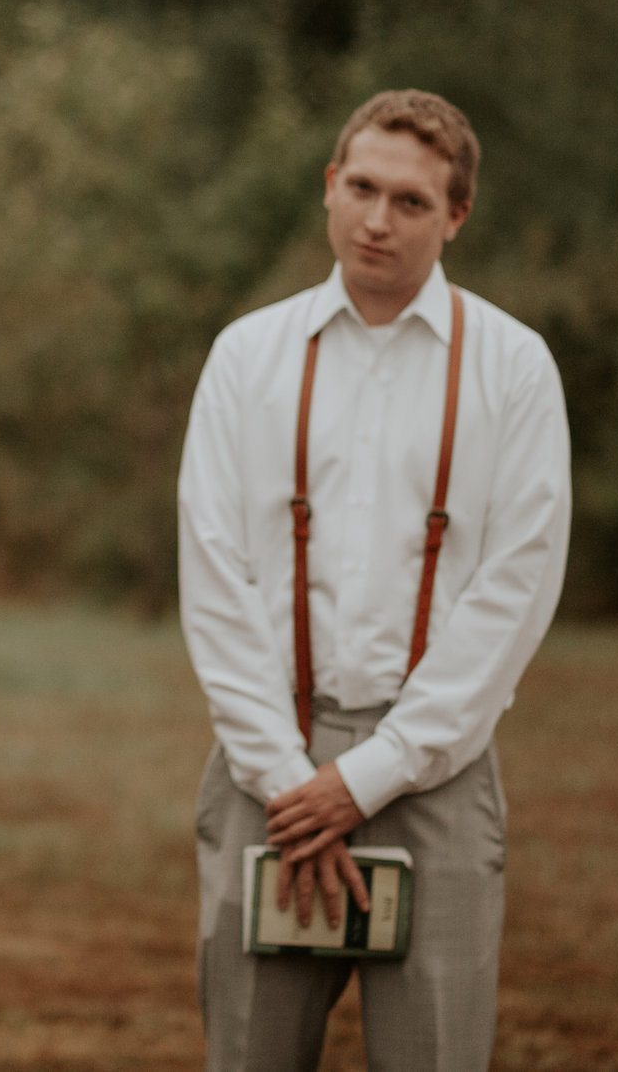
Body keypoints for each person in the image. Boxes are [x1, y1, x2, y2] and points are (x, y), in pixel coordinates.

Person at [177, 89, 572, 1072]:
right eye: (360, 188)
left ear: (456, 215)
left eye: (408, 199)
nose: (376, 218)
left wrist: (367, 776)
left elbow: (514, 589)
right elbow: (213, 573)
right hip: (265, 767)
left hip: (433, 768)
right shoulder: (248, 354)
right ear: (328, 186)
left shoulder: (514, 367)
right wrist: (288, 779)